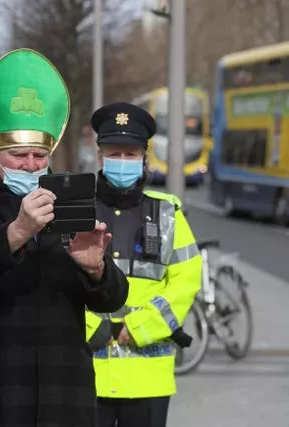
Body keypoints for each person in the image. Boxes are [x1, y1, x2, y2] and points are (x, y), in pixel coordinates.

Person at [0, 48, 130, 427]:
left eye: (40, 155)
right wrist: (17, 232)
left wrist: (96, 270)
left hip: (64, 397)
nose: (31, 165)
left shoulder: (72, 206)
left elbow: (113, 299)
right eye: (18, 155)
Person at [85, 102, 202, 427]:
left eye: (130, 154)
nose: (123, 162)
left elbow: (186, 280)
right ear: (99, 157)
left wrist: (138, 328)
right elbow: (56, 280)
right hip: (86, 374)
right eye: (115, 154)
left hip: (148, 379)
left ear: (144, 159)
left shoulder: (167, 214)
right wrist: (94, 329)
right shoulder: (78, 213)